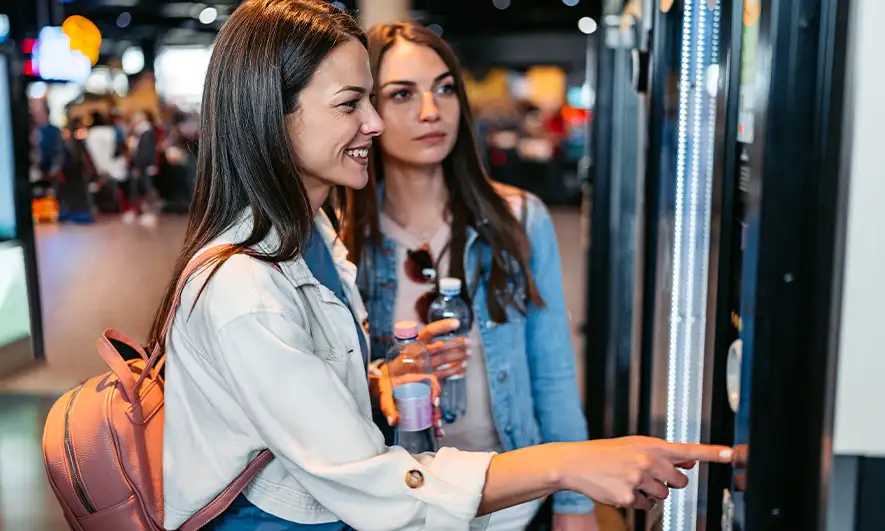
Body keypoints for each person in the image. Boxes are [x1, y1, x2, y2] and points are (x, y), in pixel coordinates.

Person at [155, 1, 734, 530]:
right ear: (272, 117)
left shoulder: (314, 242)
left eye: (442, 90)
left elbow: (547, 375)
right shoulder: (247, 286)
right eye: (356, 102)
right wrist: (566, 464)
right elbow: (371, 481)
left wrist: (382, 378)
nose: (379, 121)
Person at [344, 22, 593, 530]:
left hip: (512, 494)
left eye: (444, 88)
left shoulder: (518, 219)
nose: (431, 111)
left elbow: (553, 374)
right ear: (367, 111)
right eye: (402, 95)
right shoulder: (341, 237)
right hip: (396, 500)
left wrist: (575, 502)